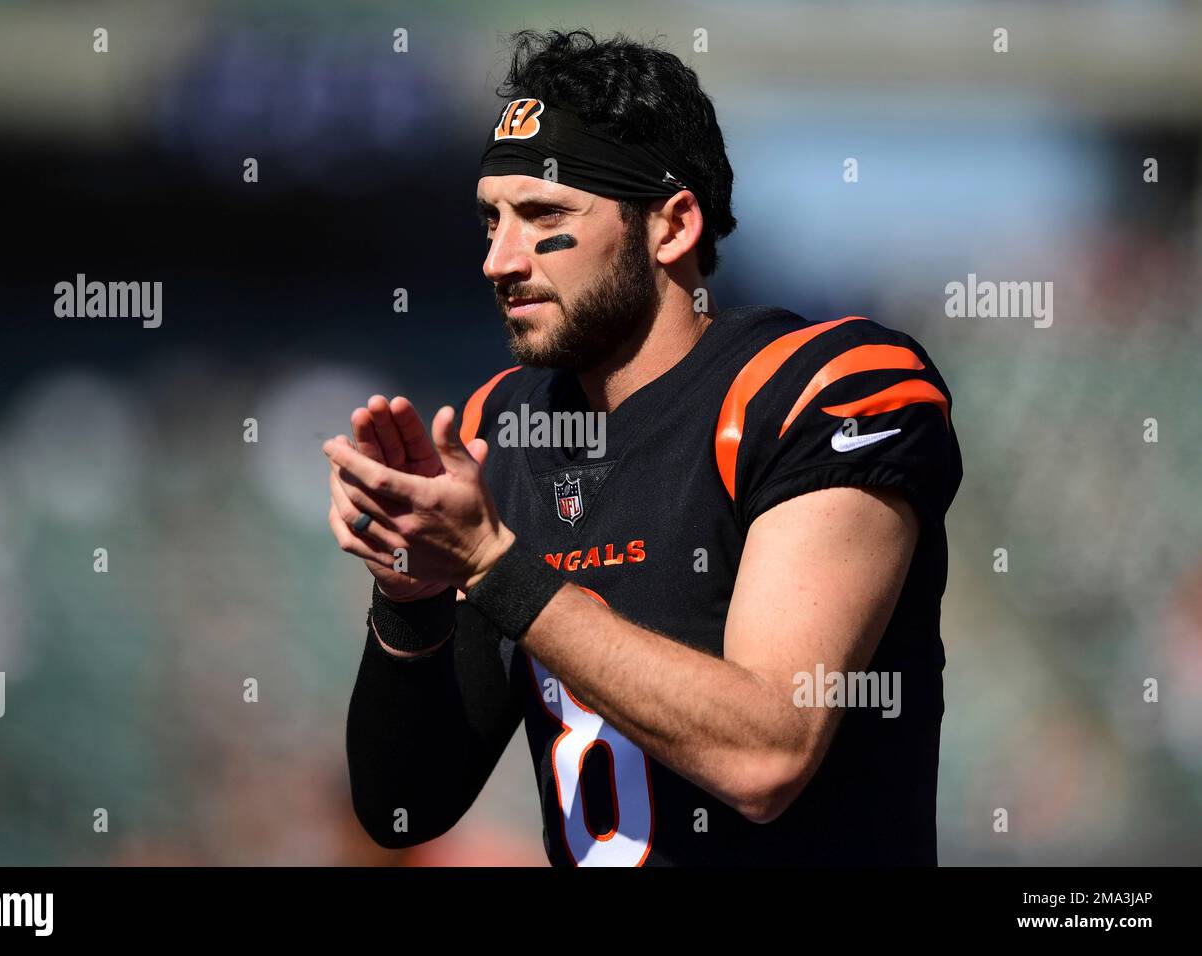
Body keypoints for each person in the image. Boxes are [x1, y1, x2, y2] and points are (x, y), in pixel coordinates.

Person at [329, 29, 962, 866]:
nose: (498, 258)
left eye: (545, 216)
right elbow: (403, 811)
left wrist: (493, 565)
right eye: (491, 220)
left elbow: (767, 754)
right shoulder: (501, 428)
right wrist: (408, 599)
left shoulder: (820, 385)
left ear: (671, 226)